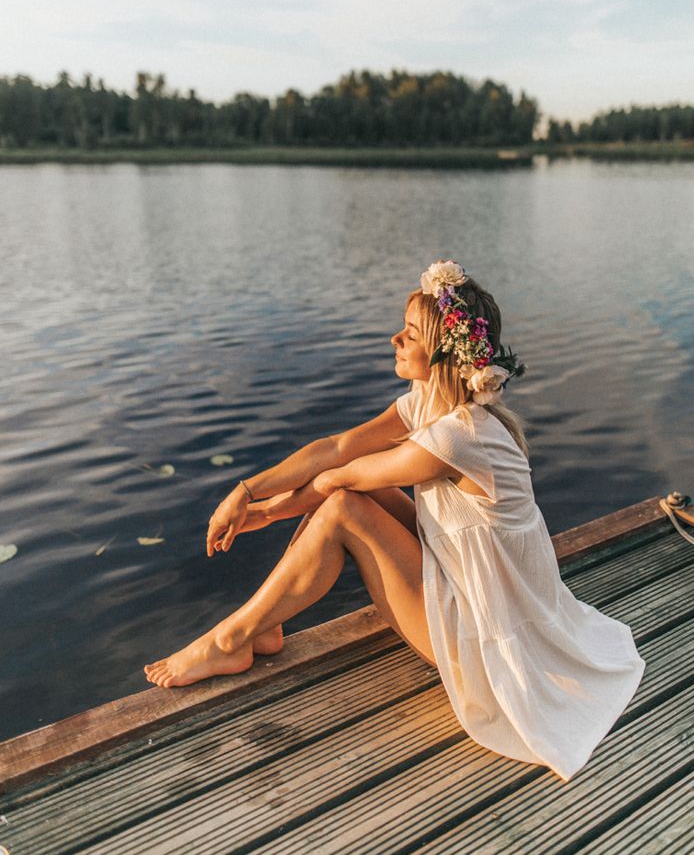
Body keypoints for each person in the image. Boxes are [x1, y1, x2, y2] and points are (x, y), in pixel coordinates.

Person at [144, 260, 645, 781]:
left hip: (480, 640)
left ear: (445, 354)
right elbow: (334, 447)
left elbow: (341, 476)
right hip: (465, 589)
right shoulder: (430, 403)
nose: (394, 340)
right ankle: (265, 628)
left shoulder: (459, 437)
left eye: (409, 335)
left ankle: (230, 640)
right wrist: (245, 492)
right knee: (358, 493)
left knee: (343, 506)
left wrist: (267, 509)